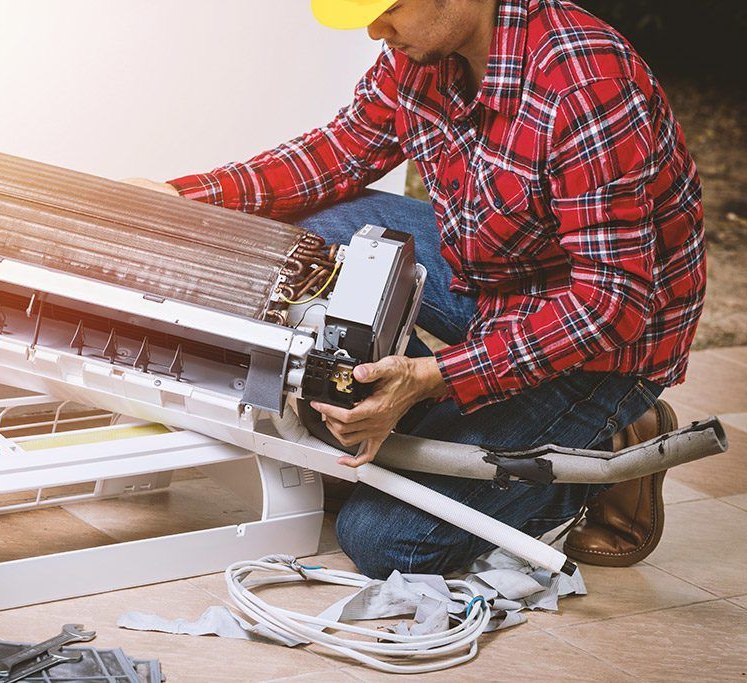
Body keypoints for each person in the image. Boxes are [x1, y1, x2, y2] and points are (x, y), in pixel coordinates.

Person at [126, 0, 705, 577]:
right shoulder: (423, 53)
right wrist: (184, 200)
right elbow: (334, 153)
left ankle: (601, 450)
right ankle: (420, 414)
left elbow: (611, 301)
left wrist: (432, 379)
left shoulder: (585, 84)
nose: (376, 29)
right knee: (309, 232)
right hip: (493, 268)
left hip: (600, 344)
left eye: (390, 9)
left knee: (384, 541)